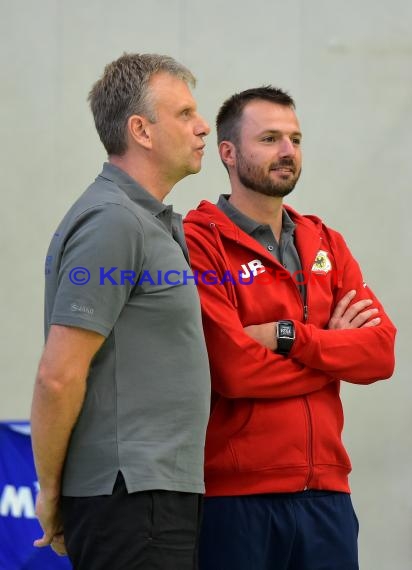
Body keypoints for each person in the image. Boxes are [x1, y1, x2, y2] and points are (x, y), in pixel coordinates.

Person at [184, 86, 396, 570]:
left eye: (296, 139)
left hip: (328, 497)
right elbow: (233, 369)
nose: (287, 152)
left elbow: (381, 354)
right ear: (228, 153)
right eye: (271, 138)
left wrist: (288, 336)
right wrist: (333, 352)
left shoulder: (326, 241)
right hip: (236, 500)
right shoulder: (200, 242)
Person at [30, 52, 211, 570]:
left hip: (152, 494)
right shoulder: (115, 221)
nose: (202, 127)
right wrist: (50, 492)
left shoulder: (142, 220)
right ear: (141, 130)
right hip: (131, 498)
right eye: (184, 114)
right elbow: (58, 376)